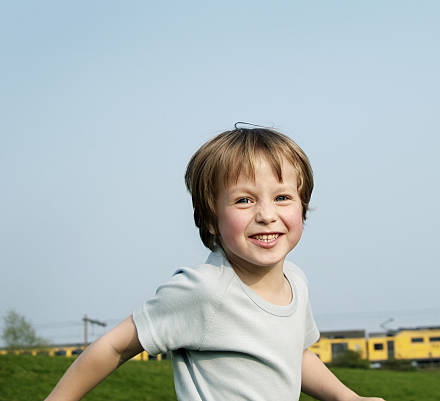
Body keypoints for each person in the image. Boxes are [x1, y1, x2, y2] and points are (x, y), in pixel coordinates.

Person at [45, 126, 384, 401]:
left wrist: (347, 397)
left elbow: (293, 355)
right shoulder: (205, 290)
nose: (267, 215)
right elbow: (115, 345)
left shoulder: (296, 281)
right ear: (210, 219)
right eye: (243, 200)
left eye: (282, 197)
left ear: (302, 207)